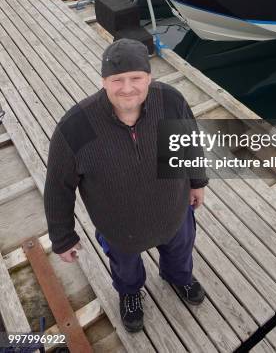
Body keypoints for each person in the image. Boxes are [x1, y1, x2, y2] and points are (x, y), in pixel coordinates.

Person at [44, 38, 208, 333]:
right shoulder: (74, 127)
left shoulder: (171, 100)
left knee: (180, 250)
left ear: (149, 78)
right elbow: (58, 186)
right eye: (117, 80)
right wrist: (62, 236)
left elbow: (190, 140)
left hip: (174, 209)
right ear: (104, 81)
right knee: (125, 267)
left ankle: (179, 276)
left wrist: (197, 182)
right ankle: (130, 292)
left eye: (136, 78)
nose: (128, 88)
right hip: (118, 223)